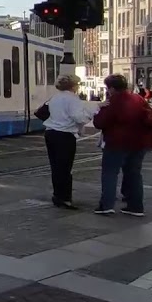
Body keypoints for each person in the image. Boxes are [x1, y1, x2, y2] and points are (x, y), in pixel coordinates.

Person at [92, 74, 152, 216]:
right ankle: (135, 207)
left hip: (116, 143)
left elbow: (99, 123)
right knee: (134, 174)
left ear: (111, 88)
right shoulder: (138, 99)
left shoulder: (113, 102)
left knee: (110, 173)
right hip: (139, 143)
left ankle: (106, 205)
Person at [42, 75, 89, 210]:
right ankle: (65, 198)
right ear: (73, 85)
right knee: (66, 168)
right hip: (65, 134)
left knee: (56, 166)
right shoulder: (73, 99)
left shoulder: (55, 97)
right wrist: (88, 116)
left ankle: (57, 195)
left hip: (50, 133)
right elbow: (78, 117)